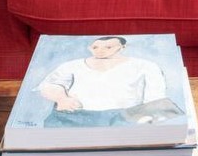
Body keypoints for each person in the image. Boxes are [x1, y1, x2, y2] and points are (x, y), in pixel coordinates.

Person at [37, 35, 172, 128]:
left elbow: (156, 99)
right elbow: (50, 85)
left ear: (122, 47)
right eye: (95, 47)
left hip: (125, 119)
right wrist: (62, 99)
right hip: (73, 117)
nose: (100, 51)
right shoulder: (71, 65)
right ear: (90, 48)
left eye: (108, 47)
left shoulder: (146, 65)